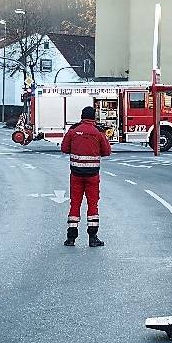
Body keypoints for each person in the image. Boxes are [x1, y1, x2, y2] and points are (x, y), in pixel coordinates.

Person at [61, 106, 112, 247]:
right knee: (93, 205)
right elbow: (107, 151)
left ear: (82, 117)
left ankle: (71, 238)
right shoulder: (98, 132)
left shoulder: (73, 130)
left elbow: (64, 148)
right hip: (92, 175)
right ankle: (93, 237)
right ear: (94, 117)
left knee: (75, 204)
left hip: (76, 174)